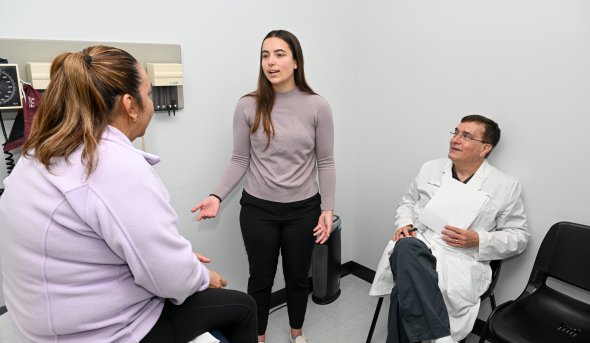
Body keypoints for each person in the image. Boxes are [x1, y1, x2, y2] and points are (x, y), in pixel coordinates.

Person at [0, 45, 257, 343]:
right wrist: (201, 276)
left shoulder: (36, 154)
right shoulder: (110, 165)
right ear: (129, 105)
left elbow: (98, 241)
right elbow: (171, 279)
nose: (150, 102)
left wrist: (176, 257)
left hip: (40, 324)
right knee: (242, 307)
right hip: (101, 334)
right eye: (147, 94)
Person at [192, 30, 336, 343]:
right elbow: (239, 159)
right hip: (258, 209)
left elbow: (325, 162)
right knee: (260, 279)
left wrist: (327, 208)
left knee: (298, 278)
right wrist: (217, 195)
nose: (271, 62)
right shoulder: (248, 105)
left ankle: (297, 333)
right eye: (265, 55)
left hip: (303, 209)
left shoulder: (317, 107)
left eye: (279, 54)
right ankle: (257, 336)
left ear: (296, 61)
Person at [370, 115, 529, 343]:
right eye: (455, 132)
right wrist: (404, 223)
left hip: (460, 259)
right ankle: (443, 336)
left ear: (485, 148)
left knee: (403, 289)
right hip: (420, 243)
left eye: (466, 136)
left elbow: (520, 237)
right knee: (406, 247)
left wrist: (478, 239)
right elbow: (407, 202)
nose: (456, 139)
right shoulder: (430, 168)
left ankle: (435, 334)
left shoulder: (505, 185)